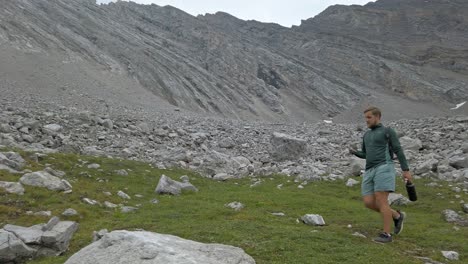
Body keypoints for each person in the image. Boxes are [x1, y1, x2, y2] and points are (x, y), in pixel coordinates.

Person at [349, 106, 412, 243]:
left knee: (381, 199)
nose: (366, 120)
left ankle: (386, 235)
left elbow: (398, 150)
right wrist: (355, 152)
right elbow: (366, 154)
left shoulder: (387, 131)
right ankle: (396, 216)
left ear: (377, 117)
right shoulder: (366, 135)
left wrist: (405, 170)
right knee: (368, 202)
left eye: (369, 117)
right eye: (365, 118)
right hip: (369, 169)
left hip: (384, 166)